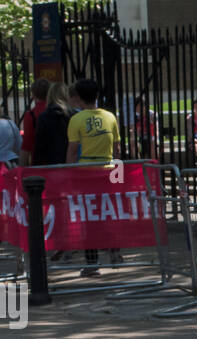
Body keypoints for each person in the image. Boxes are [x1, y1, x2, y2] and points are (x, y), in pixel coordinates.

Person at [67, 78, 121, 276]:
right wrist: (119, 176)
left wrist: (69, 175)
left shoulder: (76, 120)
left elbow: (72, 151)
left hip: (85, 171)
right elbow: (117, 150)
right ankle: (115, 249)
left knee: (88, 216)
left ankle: (92, 261)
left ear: (79, 98)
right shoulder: (110, 117)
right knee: (109, 211)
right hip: (107, 169)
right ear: (97, 96)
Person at [34, 81, 72, 166]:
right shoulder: (74, 115)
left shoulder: (44, 116)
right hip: (71, 161)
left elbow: (39, 145)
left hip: (50, 162)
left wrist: (36, 166)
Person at [19, 78, 51, 166]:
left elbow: (26, 144)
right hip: (60, 160)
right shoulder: (61, 111)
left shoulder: (30, 115)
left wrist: (21, 168)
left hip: (39, 160)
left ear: (33, 94)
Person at [132, 96, 159, 162]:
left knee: (153, 143)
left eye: (137, 106)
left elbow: (156, 129)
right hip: (140, 137)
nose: (136, 108)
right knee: (133, 143)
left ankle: (154, 163)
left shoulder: (152, 114)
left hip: (151, 136)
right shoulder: (135, 116)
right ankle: (138, 164)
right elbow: (133, 130)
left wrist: (154, 137)